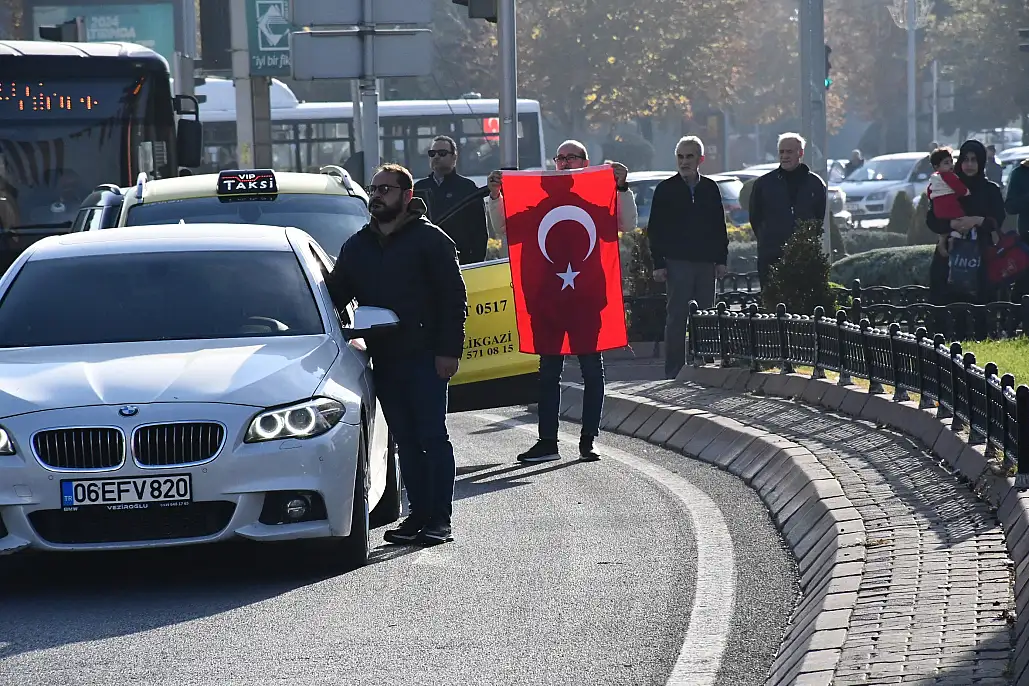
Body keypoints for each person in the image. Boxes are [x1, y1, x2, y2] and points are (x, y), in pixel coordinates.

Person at [327, 163, 468, 547]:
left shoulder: (431, 241)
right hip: (385, 359)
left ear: (407, 196)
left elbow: (454, 301)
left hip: (427, 358)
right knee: (405, 441)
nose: (376, 195)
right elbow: (335, 296)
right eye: (373, 189)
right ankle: (417, 515)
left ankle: (439, 520)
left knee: (431, 437)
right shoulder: (357, 246)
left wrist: (448, 352)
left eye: (385, 189)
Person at [485, 140, 637, 463]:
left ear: (586, 162)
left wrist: (622, 188)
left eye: (572, 157)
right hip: (547, 301)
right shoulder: (537, 205)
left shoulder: (596, 200)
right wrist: (496, 196)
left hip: (587, 299)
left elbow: (626, 224)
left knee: (591, 370)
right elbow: (503, 227)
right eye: (560, 158)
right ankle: (548, 442)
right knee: (549, 372)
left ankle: (589, 440)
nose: (565, 163)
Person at [647, 136, 729, 380]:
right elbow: (655, 229)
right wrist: (659, 263)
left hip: (705, 262)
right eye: (680, 157)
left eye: (689, 156)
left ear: (700, 159)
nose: (684, 162)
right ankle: (674, 370)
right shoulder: (665, 189)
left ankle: (705, 366)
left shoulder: (710, 188)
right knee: (677, 317)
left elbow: (719, 226)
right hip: (677, 262)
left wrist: (721, 259)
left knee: (706, 316)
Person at [924, 140, 1005, 325]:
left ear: (981, 162)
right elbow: (931, 219)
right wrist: (951, 224)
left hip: (981, 254)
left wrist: (976, 220)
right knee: (946, 306)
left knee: (981, 307)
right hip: (949, 255)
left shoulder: (990, 189)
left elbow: (998, 219)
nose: (969, 165)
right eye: (965, 159)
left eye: (974, 160)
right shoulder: (946, 184)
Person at [748, 133, 827, 287]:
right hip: (771, 255)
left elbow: (818, 217)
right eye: (781, 152)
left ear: (800, 153)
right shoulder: (763, 184)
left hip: (804, 256)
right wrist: (767, 238)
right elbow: (755, 217)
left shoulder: (815, 183)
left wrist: (807, 240)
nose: (784, 156)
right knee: (771, 298)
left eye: (789, 152)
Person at [413, 135, 489, 265]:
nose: (436, 157)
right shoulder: (419, 188)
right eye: (432, 153)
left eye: (442, 153)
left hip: (460, 262)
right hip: (425, 263)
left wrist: (474, 263)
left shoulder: (467, 188)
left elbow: (479, 232)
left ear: (454, 157)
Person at [925, 146, 971, 257]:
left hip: (938, 210)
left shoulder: (934, 178)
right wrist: (966, 192)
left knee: (945, 231)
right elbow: (959, 188)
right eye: (946, 163)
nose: (951, 165)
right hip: (950, 207)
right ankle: (953, 240)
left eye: (951, 161)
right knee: (961, 223)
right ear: (936, 166)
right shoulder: (948, 176)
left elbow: (929, 191)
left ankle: (942, 241)